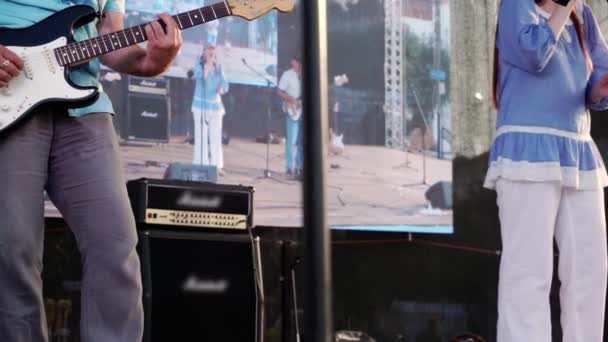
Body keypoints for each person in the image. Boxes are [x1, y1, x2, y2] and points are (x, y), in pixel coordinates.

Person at [0, 1, 182, 341]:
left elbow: (107, 33)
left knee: (115, 247)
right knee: (12, 252)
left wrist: (153, 59)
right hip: (8, 97)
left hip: (84, 105)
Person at [484, 0, 608, 341]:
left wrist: (600, 88)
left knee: (589, 270)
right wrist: (564, 7)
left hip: (577, 150)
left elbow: (598, 74)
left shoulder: (582, 15)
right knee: (527, 272)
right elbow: (533, 52)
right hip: (527, 148)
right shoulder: (517, 5)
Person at [191, 44, 229, 172]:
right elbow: (200, 77)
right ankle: (201, 165)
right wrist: (207, 65)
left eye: (213, 53)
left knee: (216, 137)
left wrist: (221, 89)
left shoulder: (219, 67)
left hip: (215, 106)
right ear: (204, 53)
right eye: (209, 52)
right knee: (201, 137)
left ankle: (216, 166)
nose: (211, 55)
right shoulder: (199, 65)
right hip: (200, 106)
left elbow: (225, 84)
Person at [277, 56, 303, 178]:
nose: (296, 63)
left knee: (302, 141)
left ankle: (300, 167)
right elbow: (279, 91)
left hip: (303, 110)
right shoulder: (287, 74)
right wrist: (291, 100)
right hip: (292, 108)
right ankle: (289, 167)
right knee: (291, 140)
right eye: (294, 61)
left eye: (298, 62)